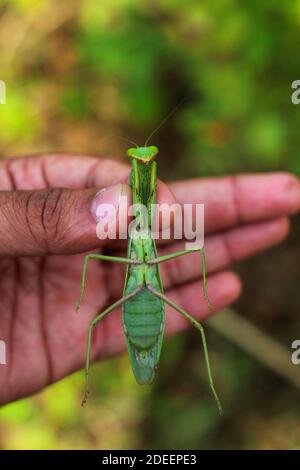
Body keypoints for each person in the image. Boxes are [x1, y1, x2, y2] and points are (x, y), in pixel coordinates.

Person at [0, 153, 299, 405]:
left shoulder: (147, 202)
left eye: (149, 158)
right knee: (93, 318)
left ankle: (211, 389)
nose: (143, 160)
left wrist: (205, 291)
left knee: (198, 324)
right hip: (136, 293)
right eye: (138, 159)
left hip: (151, 293)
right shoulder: (126, 204)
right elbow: (94, 253)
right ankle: (88, 386)